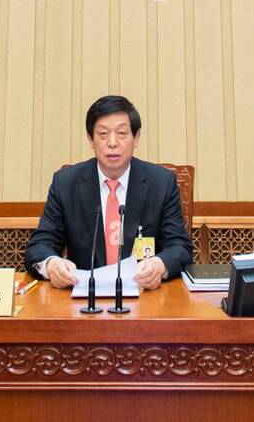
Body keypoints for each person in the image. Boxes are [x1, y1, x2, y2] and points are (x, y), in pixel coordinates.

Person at [24, 95, 193, 289]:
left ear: (136, 137)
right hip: (83, 298)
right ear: (90, 139)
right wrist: (52, 264)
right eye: (103, 134)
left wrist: (159, 265)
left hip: (147, 296)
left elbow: (180, 246)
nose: (112, 143)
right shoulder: (66, 183)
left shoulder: (161, 183)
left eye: (122, 133)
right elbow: (39, 247)